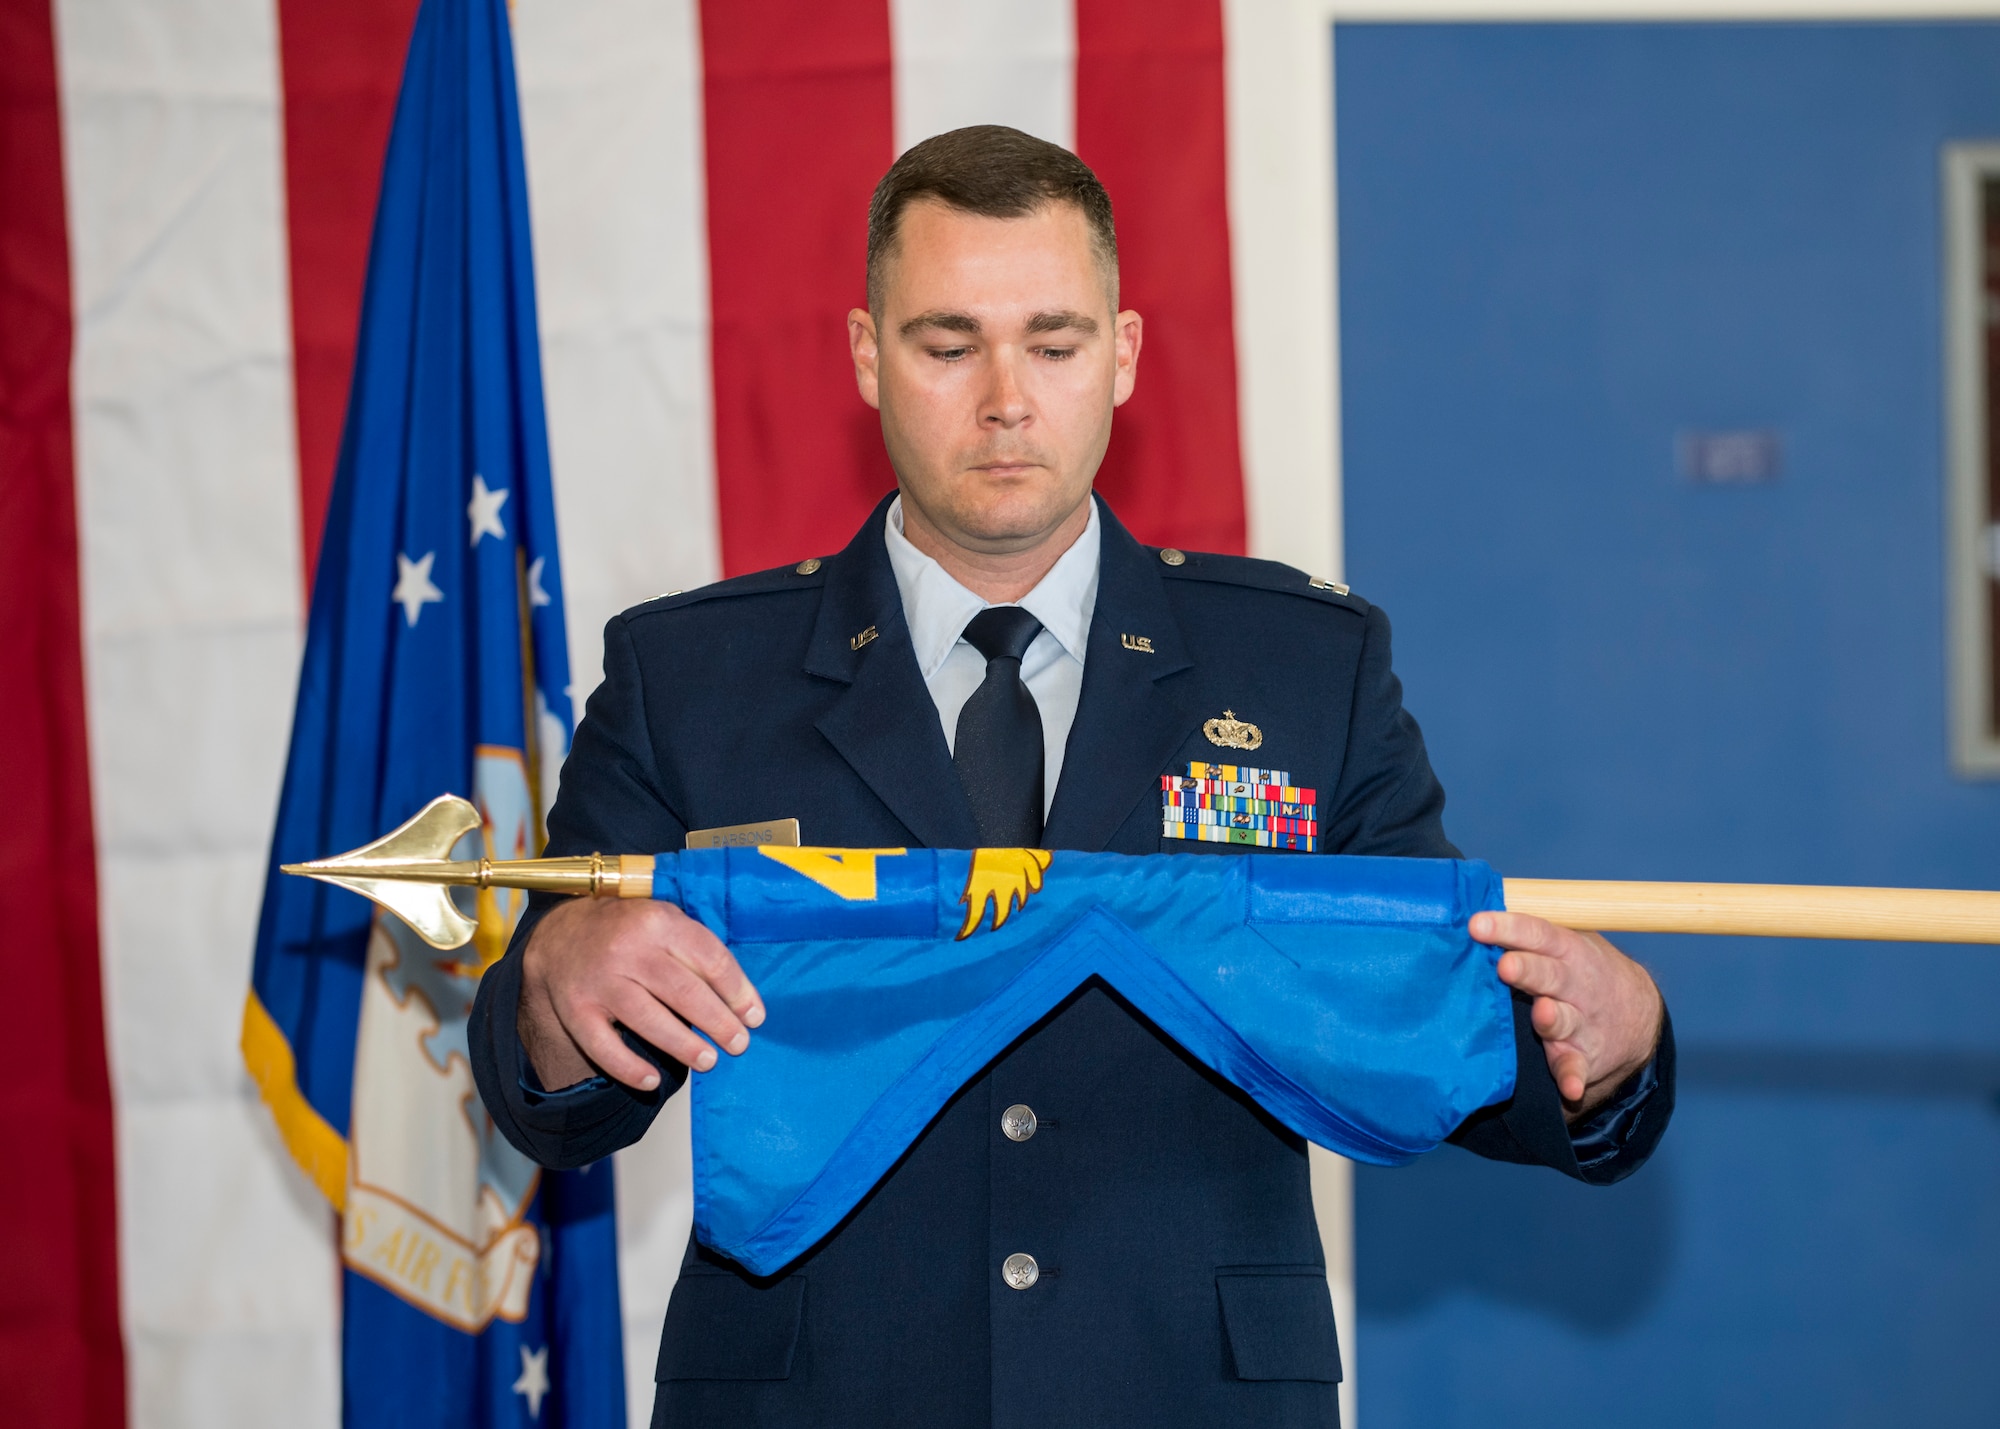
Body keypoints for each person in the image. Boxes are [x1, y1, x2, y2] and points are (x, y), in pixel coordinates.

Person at [470, 124, 1672, 1429]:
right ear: (869, 357)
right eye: (946, 344)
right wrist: (555, 983)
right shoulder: (692, 676)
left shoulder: (1300, 667)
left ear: (1125, 355)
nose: (1005, 397)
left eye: (1054, 342)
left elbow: (1436, 1002)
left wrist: (1608, 1043)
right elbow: (553, 1100)